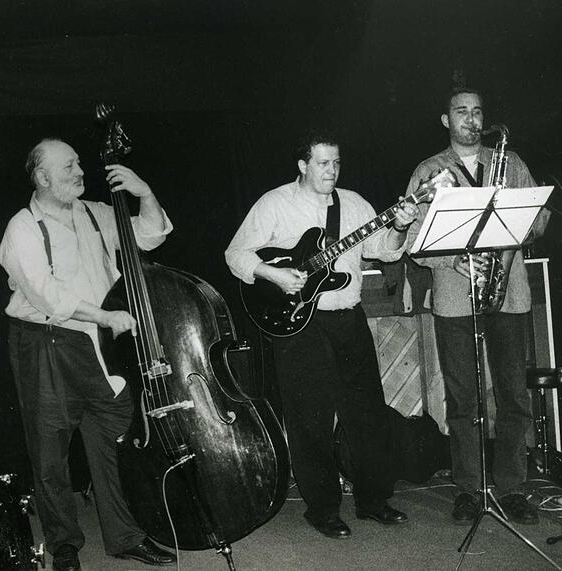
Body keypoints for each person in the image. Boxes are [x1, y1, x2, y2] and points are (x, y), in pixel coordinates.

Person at [225, 131, 417, 539]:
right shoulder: (275, 203)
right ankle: (323, 508)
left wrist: (399, 226)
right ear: (303, 165)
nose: (332, 170)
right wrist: (274, 273)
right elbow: (236, 254)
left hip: (348, 317)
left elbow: (386, 249)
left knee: (366, 412)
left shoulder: (354, 203)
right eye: (323, 163)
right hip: (299, 322)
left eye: (336, 163)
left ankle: (373, 499)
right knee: (309, 418)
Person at [0, 138, 176, 570]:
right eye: (68, 167)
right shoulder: (21, 226)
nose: (80, 171)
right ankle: (63, 544)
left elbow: (150, 237)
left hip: (100, 344)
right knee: (50, 450)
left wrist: (144, 192)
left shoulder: (96, 213)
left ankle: (125, 536)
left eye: (79, 163)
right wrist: (107, 315)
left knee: (115, 437)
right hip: (46, 343)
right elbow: (46, 295)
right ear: (42, 178)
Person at [404, 87, 550, 526]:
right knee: (463, 401)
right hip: (454, 296)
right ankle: (468, 491)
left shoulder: (512, 162)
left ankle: (513, 489)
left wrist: (513, 233)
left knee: (513, 398)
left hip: (511, 295)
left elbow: (539, 219)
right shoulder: (428, 170)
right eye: (461, 112)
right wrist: (454, 258)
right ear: (446, 120)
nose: (471, 119)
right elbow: (412, 242)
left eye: (477, 112)